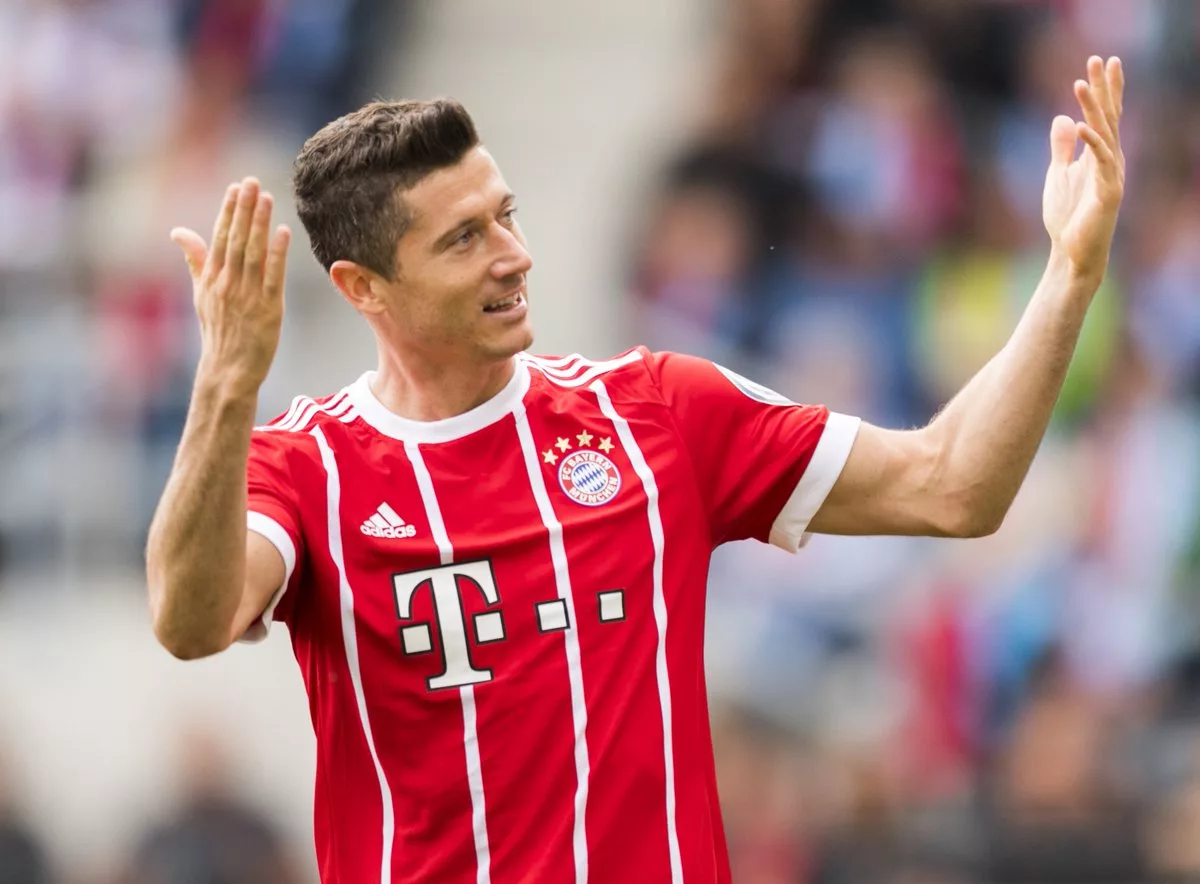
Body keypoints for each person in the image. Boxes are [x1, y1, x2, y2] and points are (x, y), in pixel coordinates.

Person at [145, 55, 1126, 884]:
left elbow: (953, 487)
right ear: (365, 289)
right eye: (464, 238)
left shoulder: (655, 411)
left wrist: (1068, 276)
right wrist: (225, 385)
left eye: (506, 215)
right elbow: (191, 622)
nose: (514, 256)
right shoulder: (306, 467)